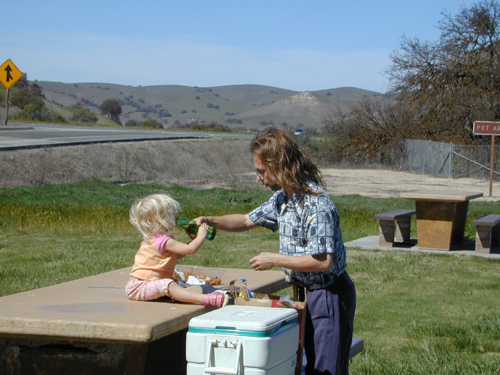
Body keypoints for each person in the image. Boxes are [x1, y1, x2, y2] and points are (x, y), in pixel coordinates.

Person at [195, 127, 356, 374]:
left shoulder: (315, 203)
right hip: (306, 294)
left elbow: (323, 261)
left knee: (326, 370)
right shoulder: (283, 198)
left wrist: (275, 259)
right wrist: (210, 219)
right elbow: (246, 220)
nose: (259, 178)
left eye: (261, 171)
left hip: (328, 295)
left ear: (278, 165)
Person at [126, 194, 228, 308]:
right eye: (171, 213)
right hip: (139, 286)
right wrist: (201, 235)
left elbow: (179, 254)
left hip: (149, 284)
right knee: (167, 284)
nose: (175, 216)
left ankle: (184, 294)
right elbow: (190, 250)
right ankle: (205, 299)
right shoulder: (163, 240)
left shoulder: (158, 239)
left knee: (171, 283)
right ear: (160, 219)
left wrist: (193, 240)